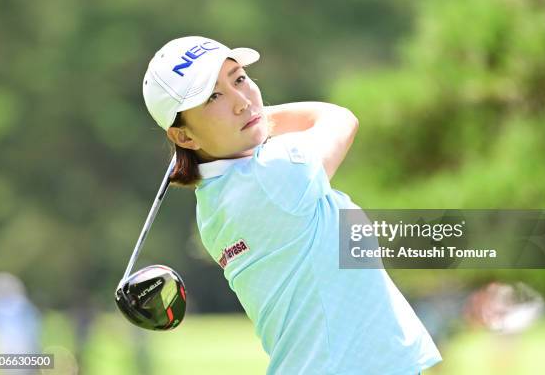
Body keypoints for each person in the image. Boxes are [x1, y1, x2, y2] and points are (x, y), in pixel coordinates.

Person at [141, 35, 442, 374]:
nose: (241, 100)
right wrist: (258, 115)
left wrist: (229, 124)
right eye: (213, 97)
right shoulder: (274, 174)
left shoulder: (210, 205)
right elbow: (339, 119)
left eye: (239, 79)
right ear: (183, 136)